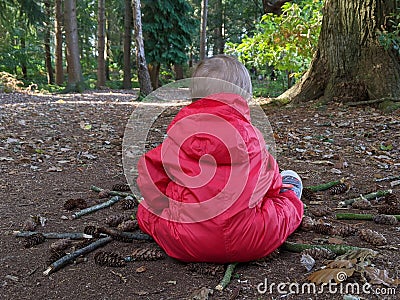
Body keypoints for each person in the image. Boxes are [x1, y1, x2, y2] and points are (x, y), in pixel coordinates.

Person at [136, 55, 303, 263]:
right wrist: (275, 194)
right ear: (245, 99)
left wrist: (163, 206)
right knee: (288, 207)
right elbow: (269, 182)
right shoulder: (253, 140)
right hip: (249, 240)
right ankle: (292, 193)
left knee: (144, 210)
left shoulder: (177, 137)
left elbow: (149, 175)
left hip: (185, 239)